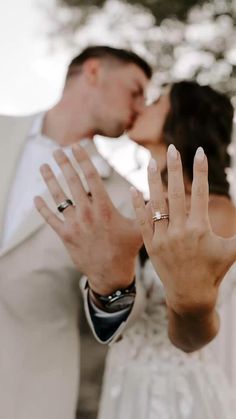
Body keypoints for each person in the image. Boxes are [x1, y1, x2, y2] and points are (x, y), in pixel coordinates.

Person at [35, 81, 236, 419]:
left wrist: (190, 303)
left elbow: (197, 334)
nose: (141, 107)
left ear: (184, 118)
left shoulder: (217, 215)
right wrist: (106, 280)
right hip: (123, 385)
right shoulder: (135, 207)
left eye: (157, 100)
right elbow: (120, 318)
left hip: (181, 397)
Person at [0, 45, 152, 419]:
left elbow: (127, 320)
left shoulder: (119, 196)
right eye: (135, 91)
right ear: (94, 72)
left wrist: (112, 284)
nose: (140, 108)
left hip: (29, 392)